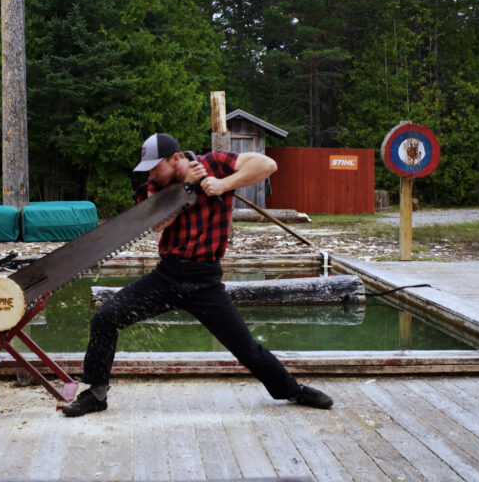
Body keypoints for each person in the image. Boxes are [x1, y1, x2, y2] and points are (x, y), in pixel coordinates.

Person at [61, 132, 333, 417]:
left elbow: (267, 165)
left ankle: (293, 391)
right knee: (104, 318)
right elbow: (158, 224)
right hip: (167, 277)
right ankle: (96, 394)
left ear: (175, 158)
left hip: (205, 281)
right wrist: (188, 188)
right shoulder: (157, 185)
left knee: (246, 349)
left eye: (155, 167)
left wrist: (223, 184)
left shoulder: (215, 163)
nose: (151, 174)